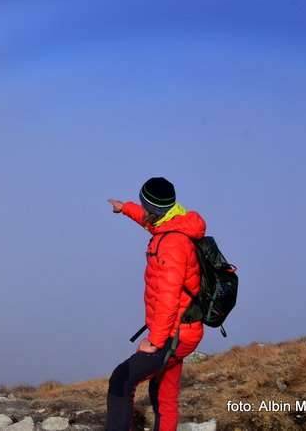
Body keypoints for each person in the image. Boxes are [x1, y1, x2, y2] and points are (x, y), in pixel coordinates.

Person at [105, 177, 205, 431]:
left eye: (143, 204)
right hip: (185, 328)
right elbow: (150, 221)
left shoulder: (172, 244)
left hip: (173, 334)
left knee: (121, 380)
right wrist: (125, 208)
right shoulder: (175, 223)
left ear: (152, 208)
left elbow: (168, 298)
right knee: (163, 391)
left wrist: (155, 342)